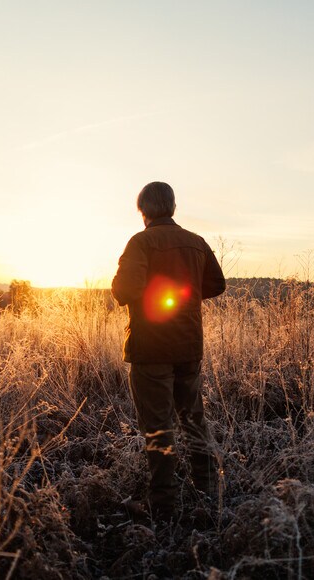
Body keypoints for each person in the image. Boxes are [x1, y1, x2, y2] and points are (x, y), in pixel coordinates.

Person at [111, 181, 226, 522]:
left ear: (143, 210)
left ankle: (163, 504)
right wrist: (184, 295)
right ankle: (207, 489)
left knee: (158, 426)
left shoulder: (141, 242)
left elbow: (124, 290)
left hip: (151, 349)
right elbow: (217, 284)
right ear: (173, 208)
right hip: (189, 347)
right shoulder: (197, 242)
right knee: (194, 420)